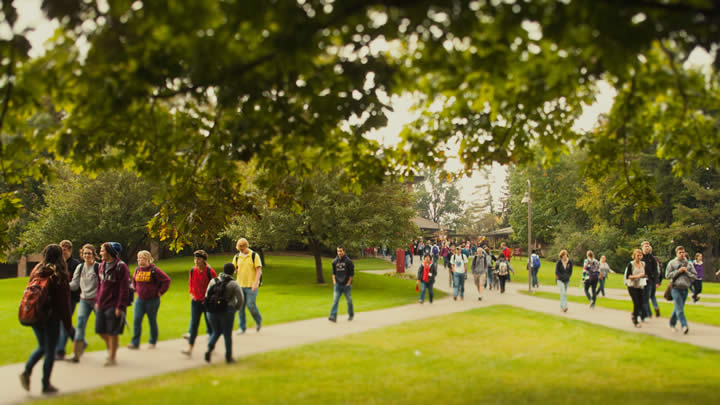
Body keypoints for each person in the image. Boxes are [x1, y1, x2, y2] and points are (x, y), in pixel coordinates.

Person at [20, 244, 74, 395]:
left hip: (35, 314)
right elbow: (63, 304)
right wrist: (68, 326)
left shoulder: (37, 269)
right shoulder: (60, 274)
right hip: (51, 318)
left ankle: (27, 370)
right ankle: (45, 385)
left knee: (42, 347)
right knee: (50, 350)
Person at [94, 242, 129, 367]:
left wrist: (120, 306)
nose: (100, 253)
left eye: (102, 250)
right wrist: (97, 300)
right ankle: (113, 346)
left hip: (114, 304)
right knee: (100, 330)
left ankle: (112, 357)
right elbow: (99, 285)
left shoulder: (121, 266)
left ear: (109, 252)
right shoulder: (101, 265)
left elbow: (124, 288)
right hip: (102, 303)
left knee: (112, 332)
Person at [128, 250, 171, 350]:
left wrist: (160, 292)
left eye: (141, 258)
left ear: (147, 259)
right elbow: (134, 280)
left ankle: (152, 341)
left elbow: (166, 280)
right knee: (137, 320)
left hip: (152, 300)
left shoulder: (154, 270)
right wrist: (135, 289)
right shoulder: (137, 269)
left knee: (151, 320)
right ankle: (135, 342)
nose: (138, 260)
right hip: (140, 300)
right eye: (138, 258)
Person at [204, 263, 244, 363]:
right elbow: (241, 299)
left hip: (212, 311)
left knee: (216, 331)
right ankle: (228, 357)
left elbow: (207, 295)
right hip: (227, 311)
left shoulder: (214, 281)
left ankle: (209, 349)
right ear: (233, 271)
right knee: (227, 334)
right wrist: (236, 309)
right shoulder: (233, 284)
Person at [67, 244, 100, 363]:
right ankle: (76, 355)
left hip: (96, 301)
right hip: (84, 301)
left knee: (103, 327)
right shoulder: (80, 267)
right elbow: (74, 285)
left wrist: (100, 300)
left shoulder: (98, 267)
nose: (87, 255)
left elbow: (104, 285)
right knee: (80, 326)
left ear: (93, 254)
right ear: (82, 254)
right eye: (85, 253)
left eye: (89, 253)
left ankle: (112, 353)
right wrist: (63, 285)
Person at [182, 250, 217, 356]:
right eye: (195, 259)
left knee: (210, 325)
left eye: (199, 259)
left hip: (207, 303)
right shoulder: (193, 270)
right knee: (194, 325)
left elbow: (216, 287)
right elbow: (190, 283)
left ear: (203, 260)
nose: (196, 261)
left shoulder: (210, 272)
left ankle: (211, 347)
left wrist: (210, 299)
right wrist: (191, 293)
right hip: (195, 301)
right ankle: (190, 348)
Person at [55, 240, 82, 361]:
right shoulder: (57, 264)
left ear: (70, 250)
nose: (63, 252)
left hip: (71, 297)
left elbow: (77, 283)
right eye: (61, 249)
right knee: (64, 322)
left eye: (65, 250)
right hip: (59, 298)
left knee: (64, 323)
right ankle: (81, 341)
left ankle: (60, 351)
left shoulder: (76, 264)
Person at [665, 246, 698, 334]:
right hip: (675, 289)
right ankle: (684, 326)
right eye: (680, 253)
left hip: (685, 289)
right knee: (680, 309)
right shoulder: (672, 263)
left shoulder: (689, 264)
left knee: (678, 308)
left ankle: (672, 323)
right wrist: (679, 271)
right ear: (676, 253)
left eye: (683, 252)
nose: (682, 254)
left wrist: (686, 272)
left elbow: (695, 276)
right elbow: (667, 275)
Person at [233, 238, 264, 331]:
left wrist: (255, 283)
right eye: (239, 249)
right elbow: (234, 269)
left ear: (246, 246)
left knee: (250, 305)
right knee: (240, 307)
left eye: (242, 249)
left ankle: (258, 320)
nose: (241, 251)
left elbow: (259, 270)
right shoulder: (237, 257)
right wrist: (235, 270)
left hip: (251, 285)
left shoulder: (254, 255)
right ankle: (242, 327)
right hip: (240, 285)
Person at [329, 246, 354, 322]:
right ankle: (333, 316)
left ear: (344, 251)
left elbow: (351, 274)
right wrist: (334, 282)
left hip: (346, 285)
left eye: (340, 251)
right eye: (338, 251)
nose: (339, 253)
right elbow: (333, 273)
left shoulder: (348, 261)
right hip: (338, 285)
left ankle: (351, 314)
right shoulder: (334, 261)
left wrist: (348, 283)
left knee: (349, 301)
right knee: (335, 300)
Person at [624, 249, 647, 327]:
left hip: (640, 286)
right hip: (632, 286)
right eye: (637, 255)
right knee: (636, 303)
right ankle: (635, 321)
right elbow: (628, 276)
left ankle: (634, 314)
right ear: (634, 256)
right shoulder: (631, 264)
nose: (639, 257)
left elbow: (644, 273)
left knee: (641, 304)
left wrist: (645, 277)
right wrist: (638, 276)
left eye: (640, 255)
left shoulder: (643, 264)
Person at [640, 241, 661, 320]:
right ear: (642, 247)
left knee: (647, 297)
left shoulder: (652, 258)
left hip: (650, 281)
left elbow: (655, 270)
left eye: (648, 246)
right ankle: (647, 313)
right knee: (645, 297)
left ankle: (648, 313)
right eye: (645, 246)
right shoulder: (640, 257)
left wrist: (657, 281)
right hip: (641, 280)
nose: (647, 248)